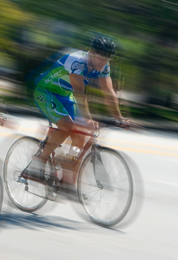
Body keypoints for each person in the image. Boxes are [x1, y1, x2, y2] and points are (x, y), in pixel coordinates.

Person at [23, 36, 129, 189]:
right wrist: (88, 118)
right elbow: (80, 92)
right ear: (91, 52)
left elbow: (109, 92)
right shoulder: (76, 60)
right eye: (100, 58)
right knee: (67, 125)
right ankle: (39, 161)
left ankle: (67, 182)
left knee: (80, 134)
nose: (103, 62)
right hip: (45, 91)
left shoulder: (104, 66)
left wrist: (119, 118)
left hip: (65, 95)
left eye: (107, 59)